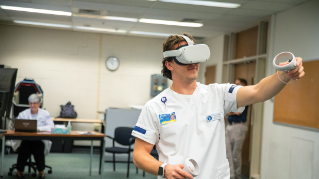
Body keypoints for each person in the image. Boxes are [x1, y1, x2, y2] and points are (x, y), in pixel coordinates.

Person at [132, 33, 305, 179]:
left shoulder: (218, 94)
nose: (193, 62)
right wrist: (164, 168)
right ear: (169, 64)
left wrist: (284, 75)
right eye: (184, 57)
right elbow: (139, 155)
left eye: (195, 56)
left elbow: (258, 92)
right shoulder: (155, 107)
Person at [12, 94, 54, 179]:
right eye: (30, 103)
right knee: (25, 146)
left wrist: (38, 129)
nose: (32, 105)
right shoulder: (23, 114)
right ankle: (19, 171)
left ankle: (41, 172)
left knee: (37, 146)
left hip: (39, 140)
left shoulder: (45, 113)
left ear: (39, 104)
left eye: (34, 103)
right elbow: (16, 126)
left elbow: (51, 127)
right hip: (25, 140)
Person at [225, 78, 248, 179]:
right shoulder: (233, 98)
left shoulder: (245, 97)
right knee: (228, 154)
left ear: (243, 85)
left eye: (238, 84)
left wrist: (229, 110)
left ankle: (238, 176)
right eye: (235, 84)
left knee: (235, 155)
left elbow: (237, 112)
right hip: (229, 126)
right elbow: (226, 111)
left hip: (238, 127)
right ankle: (231, 176)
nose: (235, 86)